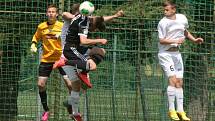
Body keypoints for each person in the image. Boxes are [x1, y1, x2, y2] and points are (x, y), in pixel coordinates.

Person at [53, 3, 124, 121]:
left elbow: (100, 19)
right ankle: (75, 110)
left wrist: (115, 15)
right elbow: (65, 14)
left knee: (81, 86)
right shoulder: (71, 18)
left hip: (78, 52)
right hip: (68, 54)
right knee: (77, 83)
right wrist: (78, 17)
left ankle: (72, 107)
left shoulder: (84, 20)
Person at [157, 1, 203, 121]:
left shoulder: (182, 18)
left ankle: (181, 111)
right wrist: (175, 41)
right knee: (172, 81)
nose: (164, 12)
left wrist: (194, 40)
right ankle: (171, 110)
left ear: (173, 10)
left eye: (167, 10)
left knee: (179, 83)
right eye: (164, 10)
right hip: (165, 54)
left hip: (177, 54)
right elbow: (161, 40)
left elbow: (185, 31)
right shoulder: (162, 22)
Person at [30, 4, 73, 121]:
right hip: (47, 60)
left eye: (53, 12)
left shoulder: (62, 25)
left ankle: (71, 107)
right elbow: (35, 37)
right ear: (46, 13)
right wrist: (33, 45)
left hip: (61, 59)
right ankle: (46, 110)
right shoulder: (41, 26)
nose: (51, 14)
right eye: (49, 12)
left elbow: (71, 38)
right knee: (40, 85)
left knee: (70, 85)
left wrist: (63, 36)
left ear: (57, 14)